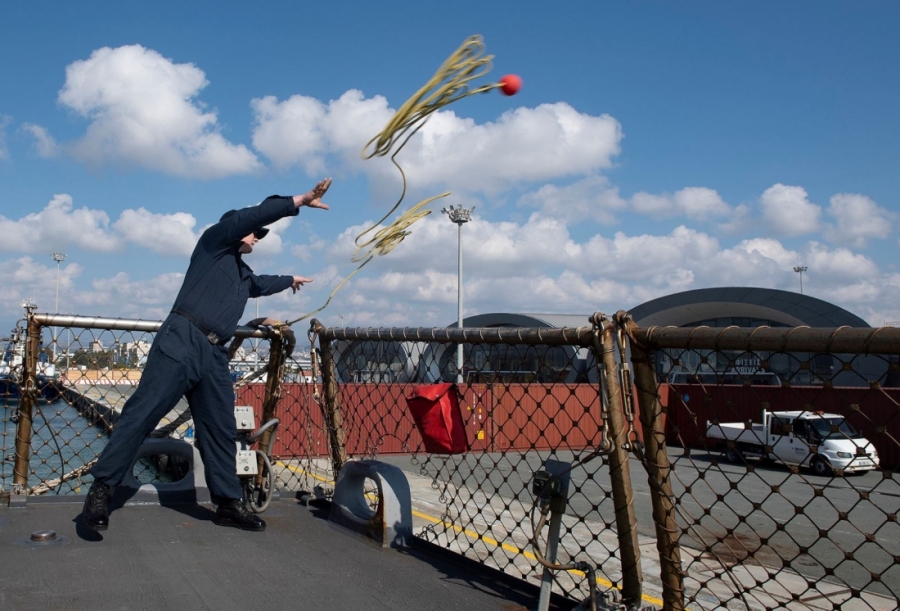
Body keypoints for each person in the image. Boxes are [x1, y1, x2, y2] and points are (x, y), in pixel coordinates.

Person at [81, 179, 332, 532]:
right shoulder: (213, 244)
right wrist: (299, 201)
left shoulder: (243, 275)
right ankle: (101, 490)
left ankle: (228, 503)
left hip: (214, 354)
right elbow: (252, 215)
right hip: (182, 339)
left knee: (219, 428)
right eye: (253, 232)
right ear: (236, 229)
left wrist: (290, 279)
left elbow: (262, 284)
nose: (257, 236)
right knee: (141, 415)